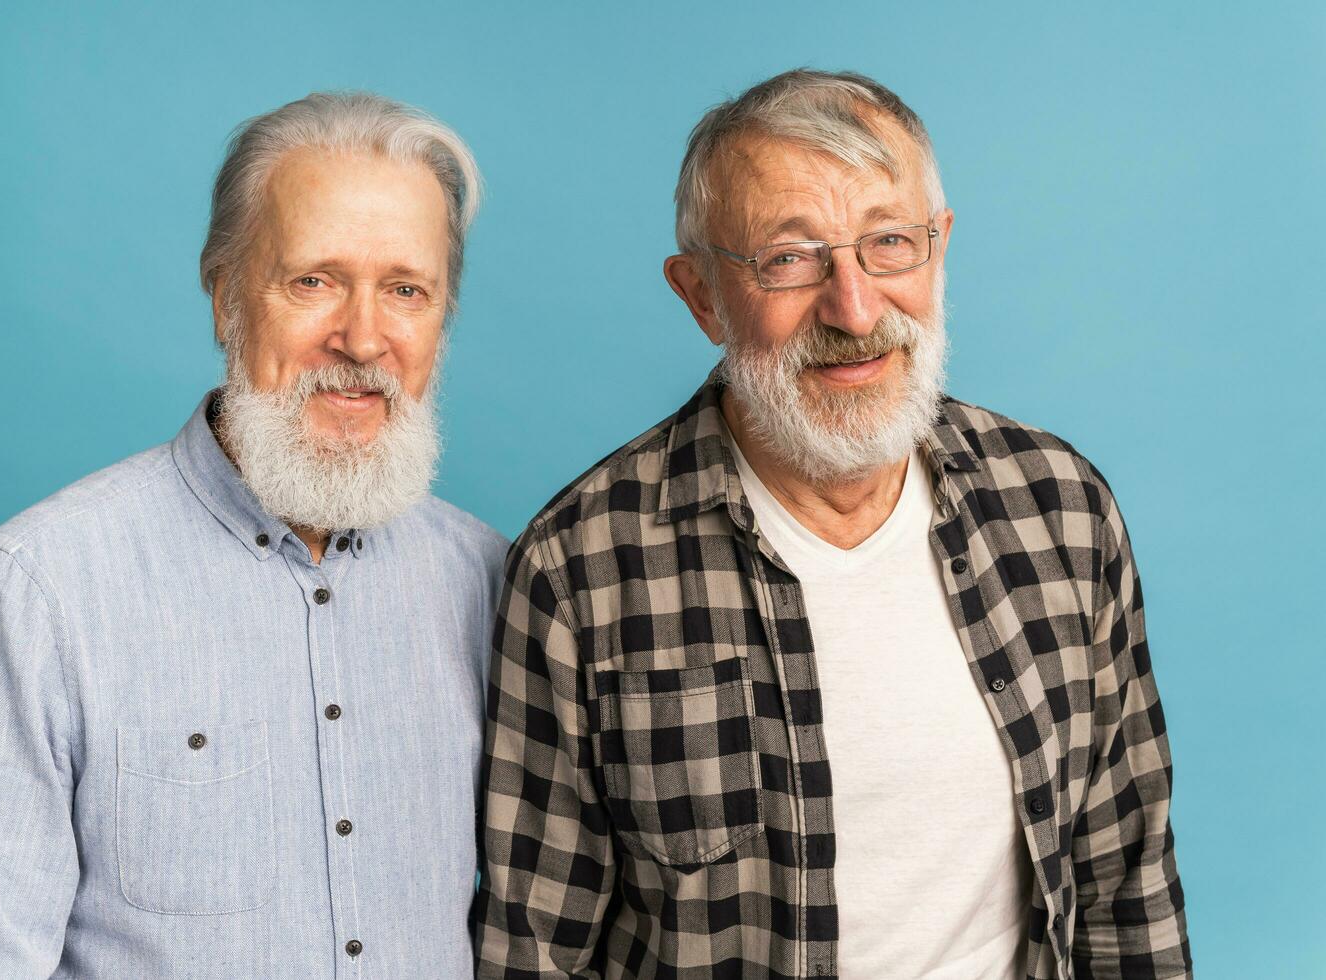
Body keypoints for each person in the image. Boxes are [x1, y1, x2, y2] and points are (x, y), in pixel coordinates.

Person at [474, 69, 1189, 979]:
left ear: (941, 248)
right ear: (701, 297)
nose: (854, 308)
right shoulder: (579, 570)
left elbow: (1128, 887)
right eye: (790, 258)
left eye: (890, 243)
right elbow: (535, 951)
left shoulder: (1062, 511)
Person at [0, 91, 506, 978]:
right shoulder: (45, 585)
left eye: (406, 290)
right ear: (225, 297)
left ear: (440, 323)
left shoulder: (490, 581)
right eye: (313, 281)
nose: (363, 337)